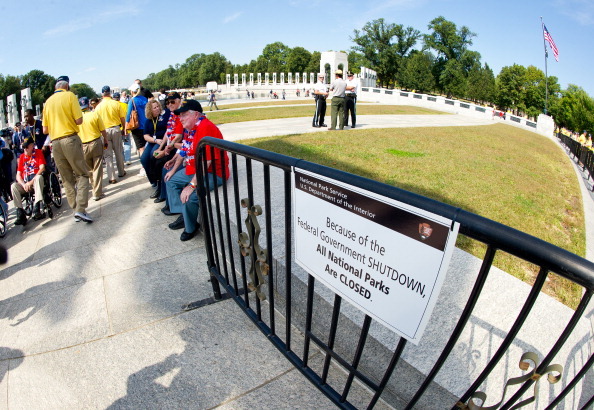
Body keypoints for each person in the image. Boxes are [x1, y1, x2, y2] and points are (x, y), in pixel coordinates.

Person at [166, 99, 229, 241]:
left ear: (196, 115)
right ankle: (184, 215)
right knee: (170, 180)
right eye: (179, 115)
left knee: (190, 198)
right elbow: (185, 149)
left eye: (184, 115)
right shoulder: (191, 128)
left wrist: (191, 185)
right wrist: (174, 162)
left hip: (214, 172)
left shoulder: (205, 127)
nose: (180, 118)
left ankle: (190, 227)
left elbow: (206, 162)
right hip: (195, 167)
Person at [42, 75, 92, 223]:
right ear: (67, 86)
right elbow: (79, 120)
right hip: (69, 138)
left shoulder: (48, 102)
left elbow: (45, 130)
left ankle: (75, 208)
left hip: (55, 142)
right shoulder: (70, 96)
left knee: (66, 178)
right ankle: (80, 209)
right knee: (82, 174)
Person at [78, 97, 107, 201]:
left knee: (89, 170)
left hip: (83, 145)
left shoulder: (77, 119)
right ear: (88, 104)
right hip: (95, 142)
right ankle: (97, 192)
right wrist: (106, 140)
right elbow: (103, 130)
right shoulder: (94, 114)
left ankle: (94, 189)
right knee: (97, 168)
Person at [95, 86, 126, 184]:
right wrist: (123, 128)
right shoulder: (115, 103)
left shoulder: (98, 107)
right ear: (110, 93)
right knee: (118, 152)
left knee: (108, 155)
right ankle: (121, 171)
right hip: (115, 129)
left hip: (104, 131)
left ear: (102, 94)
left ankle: (112, 177)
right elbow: (122, 118)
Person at [11, 137, 46, 224]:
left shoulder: (38, 152)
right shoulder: (22, 157)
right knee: (13, 186)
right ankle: (20, 213)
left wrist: (31, 182)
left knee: (38, 178)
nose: (25, 149)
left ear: (32, 146)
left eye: (27, 147)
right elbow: (18, 175)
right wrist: (23, 184)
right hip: (25, 183)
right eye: (24, 147)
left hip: (35, 181)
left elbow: (42, 168)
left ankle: (37, 208)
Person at [140, 99, 169, 189]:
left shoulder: (165, 115)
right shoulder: (148, 121)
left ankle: (157, 177)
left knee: (154, 154)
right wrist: (155, 140)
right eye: (154, 108)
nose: (157, 109)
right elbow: (146, 136)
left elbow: (169, 130)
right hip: (154, 141)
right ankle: (152, 180)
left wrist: (160, 142)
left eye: (157, 107)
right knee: (143, 158)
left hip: (163, 140)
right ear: (150, 110)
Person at [126, 85, 148, 160]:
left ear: (132, 91)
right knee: (146, 146)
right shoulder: (145, 99)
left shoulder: (132, 100)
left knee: (141, 148)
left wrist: (126, 127)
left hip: (137, 126)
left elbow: (128, 114)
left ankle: (143, 165)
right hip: (146, 125)